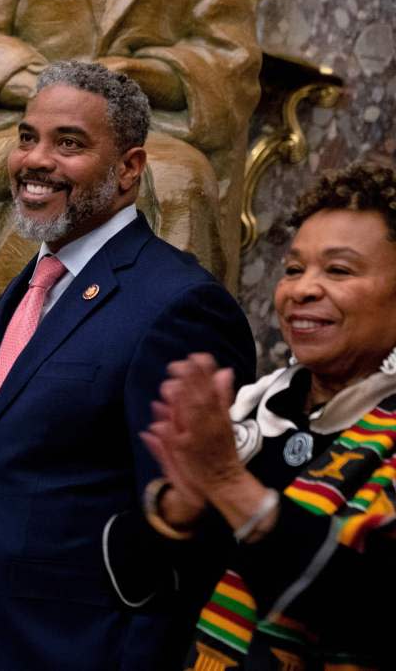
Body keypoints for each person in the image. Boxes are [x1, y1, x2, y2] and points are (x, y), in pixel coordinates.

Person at [0, 60, 255, 670]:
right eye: (28, 137)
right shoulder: (28, 284)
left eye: (70, 144)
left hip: (79, 650)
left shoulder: (179, 305)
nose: (35, 159)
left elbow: (186, 532)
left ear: (130, 169)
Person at [142, 161, 396, 669]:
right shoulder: (257, 409)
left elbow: (370, 609)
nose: (301, 290)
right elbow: (171, 593)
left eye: (339, 270)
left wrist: (231, 487)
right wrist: (182, 508)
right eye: (295, 269)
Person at [0, 0, 261, 346]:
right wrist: (63, 94)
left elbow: (228, 65)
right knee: (39, 169)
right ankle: (6, 322)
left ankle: (169, 344)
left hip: (156, 125)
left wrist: (138, 75)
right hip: (22, 116)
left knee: (179, 180)